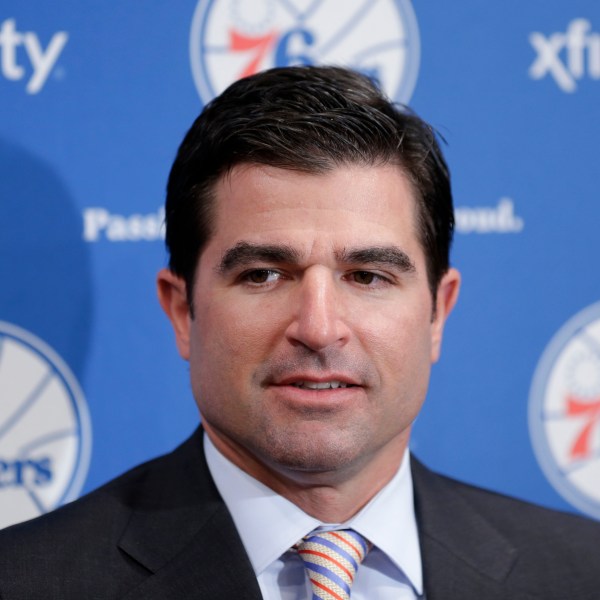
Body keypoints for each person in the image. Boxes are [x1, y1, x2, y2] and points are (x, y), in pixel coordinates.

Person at [0, 66, 598, 600]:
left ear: (438, 312)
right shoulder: (27, 580)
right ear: (183, 312)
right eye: (262, 274)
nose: (318, 328)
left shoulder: (578, 573)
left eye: (367, 276)